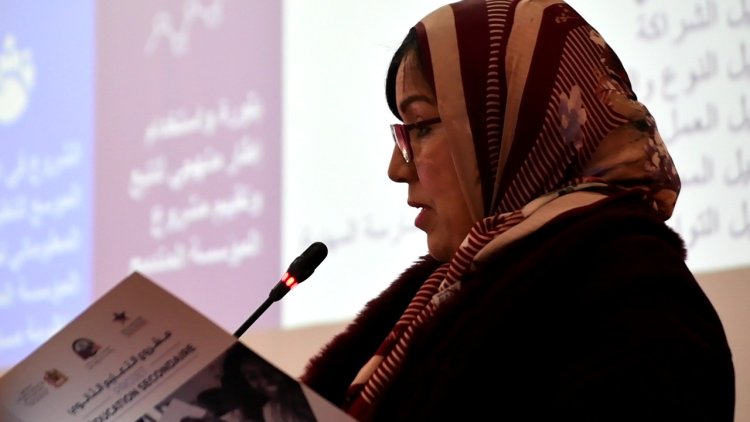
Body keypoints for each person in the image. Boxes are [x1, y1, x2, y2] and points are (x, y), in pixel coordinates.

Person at [299, 0, 736, 421]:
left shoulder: (638, 299)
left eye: (421, 128)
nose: (397, 169)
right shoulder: (447, 290)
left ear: (518, 122)